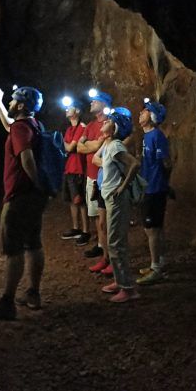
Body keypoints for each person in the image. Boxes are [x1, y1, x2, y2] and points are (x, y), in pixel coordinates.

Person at [0, 85, 47, 321]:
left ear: (21, 105)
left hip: (20, 196)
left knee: (14, 249)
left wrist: (35, 183)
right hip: (34, 198)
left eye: (12, 100)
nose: (10, 102)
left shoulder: (20, 129)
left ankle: (7, 301)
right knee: (34, 244)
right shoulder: (33, 125)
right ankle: (33, 293)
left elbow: (26, 157)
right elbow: (9, 125)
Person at [93, 108, 141, 302]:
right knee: (114, 242)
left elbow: (134, 164)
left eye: (109, 120)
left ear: (115, 128)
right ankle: (120, 281)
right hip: (111, 197)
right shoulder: (110, 144)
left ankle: (128, 289)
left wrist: (122, 187)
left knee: (116, 243)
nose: (104, 121)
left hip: (116, 200)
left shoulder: (115, 146)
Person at [136, 99, 171, 286]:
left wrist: (163, 183)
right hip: (149, 186)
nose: (141, 113)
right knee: (154, 228)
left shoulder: (157, 136)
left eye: (146, 111)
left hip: (155, 188)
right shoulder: (147, 136)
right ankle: (159, 261)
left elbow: (166, 162)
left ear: (153, 116)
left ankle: (156, 267)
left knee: (152, 229)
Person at [77, 90, 112, 263]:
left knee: (103, 215)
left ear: (104, 104)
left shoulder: (108, 124)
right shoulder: (90, 125)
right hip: (91, 175)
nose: (91, 103)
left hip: (103, 176)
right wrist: (90, 145)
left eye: (95, 101)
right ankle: (100, 244)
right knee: (96, 214)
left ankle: (106, 249)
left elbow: (96, 145)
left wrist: (88, 145)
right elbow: (79, 147)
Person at [59, 97, 89, 243]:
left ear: (77, 111)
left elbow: (70, 147)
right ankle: (76, 228)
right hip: (68, 168)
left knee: (80, 200)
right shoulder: (69, 129)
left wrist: (65, 144)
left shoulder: (82, 127)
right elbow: (67, 146)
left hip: (78, 168)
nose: (66, 109)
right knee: (72, 199)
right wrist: (66, 145)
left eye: (69, 107)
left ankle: (85, 230)